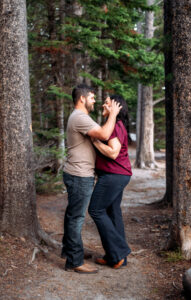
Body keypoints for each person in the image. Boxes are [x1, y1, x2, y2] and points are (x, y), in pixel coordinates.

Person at [62, 84, 121, 274]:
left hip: (78, 174)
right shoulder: (80, 117)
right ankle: (74, 261)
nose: (95, 101)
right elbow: (104, 134)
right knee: (76, 218)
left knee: (73, 215)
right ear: (82, 98)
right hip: (79, 175)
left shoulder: (80, 117)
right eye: (93, 98)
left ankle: (69, 251)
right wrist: (113, 114)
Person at [88, 94, 132, 269]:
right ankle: (115, 257)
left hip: (113, 175)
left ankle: (119, 251)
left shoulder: (114, 126)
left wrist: (95, 141)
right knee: (113, 212)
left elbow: (113, 152)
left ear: (116, 107)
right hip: (119, 174)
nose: (103, 106)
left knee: (96, 209)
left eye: (106, 103)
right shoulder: (117, 125)